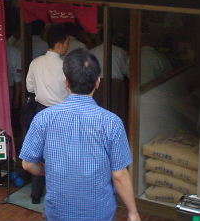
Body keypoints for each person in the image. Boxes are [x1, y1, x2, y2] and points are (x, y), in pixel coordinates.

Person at [20, 48, 140, 221]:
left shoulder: (43, 118)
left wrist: (48, 171)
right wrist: (133, 212)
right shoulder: (111, 122)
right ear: (98, 82)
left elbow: (27, 164)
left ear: (66, 82)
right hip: (98, 212)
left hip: (58, 211)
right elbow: (119, 175)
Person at [24, 24, 70, 204]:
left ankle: (36, 194)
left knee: (39, 153)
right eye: (67, 42)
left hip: (40, 111)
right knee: (60, 155)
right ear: (61, 43)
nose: (68, 46)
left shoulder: (36, 62)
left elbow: (29, 87)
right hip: (62, 113)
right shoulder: (66, 65)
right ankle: (57, 195)